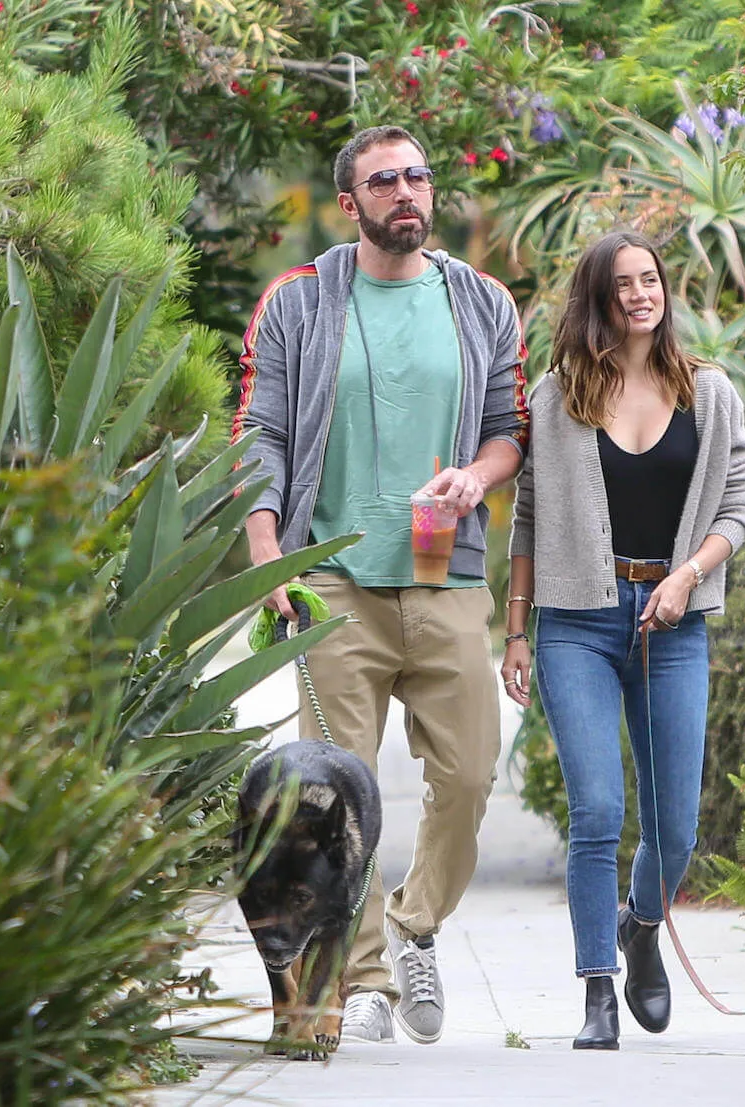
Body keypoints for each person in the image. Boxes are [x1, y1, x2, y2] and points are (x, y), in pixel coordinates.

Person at [231, 124, 530, 1045]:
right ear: (350, 201)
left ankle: (413, 925)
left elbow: (507, 427)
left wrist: (476, 480)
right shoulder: (299, 302)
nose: (406, 191)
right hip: (334, 582)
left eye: (418, 176)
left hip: (446, 578)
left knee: (472, 773)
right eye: (384, 181)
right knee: (333, 798)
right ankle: (362, 982)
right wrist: (267, 555)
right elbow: (263, 432)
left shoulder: (481, 302)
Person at [502, 229, 745, 1050]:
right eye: (625, 284)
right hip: (578, 620)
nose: (642, 293)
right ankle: (595, 992)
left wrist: (686, 577)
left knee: (676, 828)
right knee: (600, 810)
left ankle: (641, 924)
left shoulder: (709, 394)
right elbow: (530, 520)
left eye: (651, 279)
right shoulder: (557, 396)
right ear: (598, 300)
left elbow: (737, 508)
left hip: (674, 622)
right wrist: (516, 631)